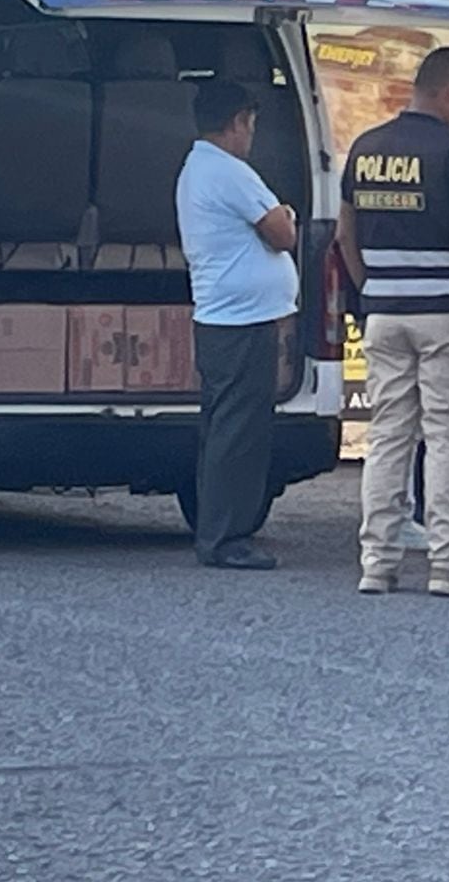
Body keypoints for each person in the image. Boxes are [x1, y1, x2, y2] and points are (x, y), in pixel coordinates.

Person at [337, 47, 449, 598]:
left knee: (387, 437)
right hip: (446, 313)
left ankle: (376, 564)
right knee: (447, 437)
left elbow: (345, 236)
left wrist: (374, 291)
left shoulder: (365, 147)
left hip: (384, 312)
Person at [176, 79, 299, 570]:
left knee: (226, 427)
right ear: (238, 122)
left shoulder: (199, 168)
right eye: (250, 123)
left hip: (225, 316)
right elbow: (283, 232)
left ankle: (219, 528)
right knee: (238, 433)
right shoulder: (230, 171)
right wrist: (284, 213)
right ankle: (227, 537)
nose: (251, 134)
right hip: (240, 321)